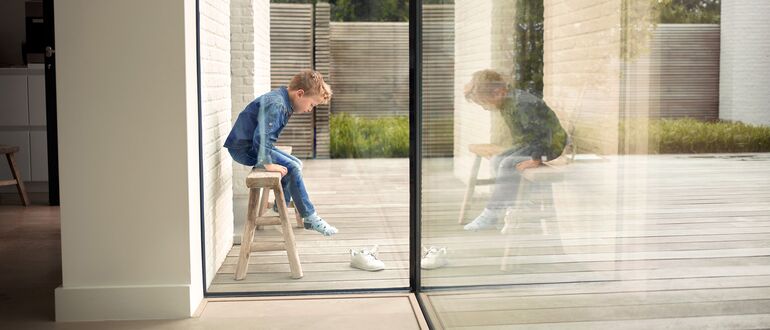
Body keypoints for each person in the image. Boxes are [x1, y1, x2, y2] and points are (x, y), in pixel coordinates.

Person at [224, 69, 338, 236]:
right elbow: (262, 137)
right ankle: (310, 216)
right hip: (245, 148)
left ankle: (279, 206)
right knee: (292, 167)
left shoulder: (283, 98)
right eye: (312, 104)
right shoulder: (277, 104)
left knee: (296, 163)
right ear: (300, 94)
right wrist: (268, 163)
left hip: (255, 145)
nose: (310, 109)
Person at [462, 69, 568, 231]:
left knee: (507, 165)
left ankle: (491, 213)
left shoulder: (522, 103)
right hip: (531, 144)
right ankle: (516, 203)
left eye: (485, 102)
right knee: (498, 160)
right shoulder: (508, 101)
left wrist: (535, 159)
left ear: (499, 92)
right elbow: (525, 134)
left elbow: (542, 134)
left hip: (549, 146)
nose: (485, 108)